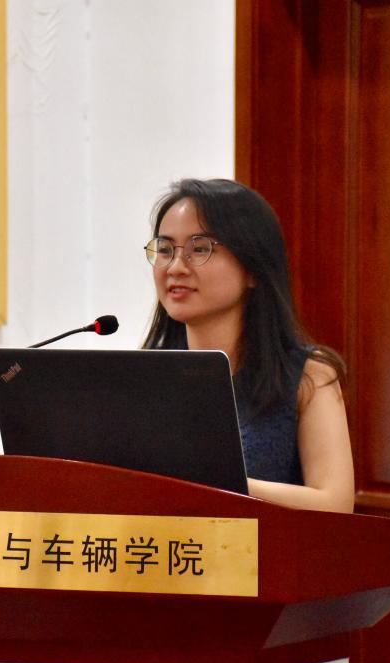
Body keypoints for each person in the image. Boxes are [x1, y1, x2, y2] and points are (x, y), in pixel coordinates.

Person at [142, 178, 354, 513]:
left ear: (253, 269)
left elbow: (334, 505)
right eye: (165, 250)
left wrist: (216, 484)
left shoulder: (307, 375)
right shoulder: (144, 375)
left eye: (200, 248)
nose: (176, 267)